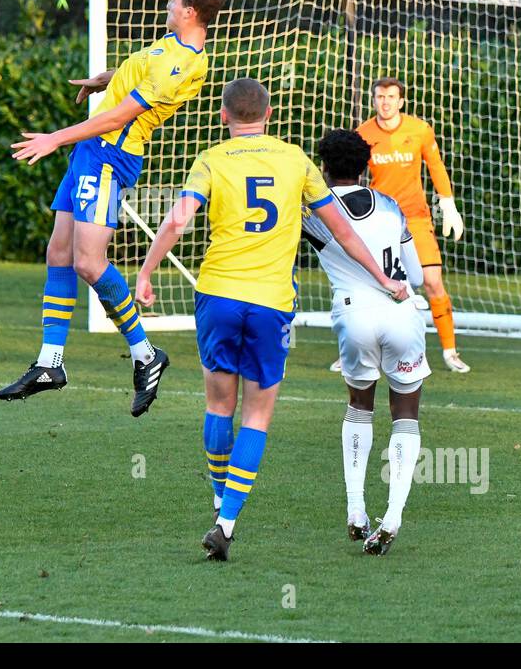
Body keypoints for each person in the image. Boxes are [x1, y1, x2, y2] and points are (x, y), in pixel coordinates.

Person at [135, 79, 407, 561]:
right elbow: (342, 230)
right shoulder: (296, 159)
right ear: (270, 113)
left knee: (219, 407)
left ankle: (220, 505)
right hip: (271, 305)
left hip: (217, 294)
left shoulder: (212, 159)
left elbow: (178, 219)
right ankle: (227, 520)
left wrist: (147, 269)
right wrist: (384, 279)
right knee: (257, 415)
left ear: (223, 115)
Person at [0, 0, 226, 417]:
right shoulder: (173, 47)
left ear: (190, 10)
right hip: (92, 153)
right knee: (59, 253)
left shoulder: (179, 62)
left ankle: (145, 355)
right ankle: (50, 363)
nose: (166, 5)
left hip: (108, 154)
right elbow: (135, 74)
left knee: (87, 261)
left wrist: (54, 138)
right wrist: (104, 79)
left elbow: (119, 116)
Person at [302, 129, 429, 555]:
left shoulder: (315, 214)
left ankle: (356, 509)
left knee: (359, 406)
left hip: (354, 314)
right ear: (365, 168)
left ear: (323, 169)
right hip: (402, 314)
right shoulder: (391, 206)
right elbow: (413, 275)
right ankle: (392, 517)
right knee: (405, 413)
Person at [353, 77, 470, 373]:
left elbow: (436, 166)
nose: (386, 102)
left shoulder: (419, 130)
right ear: (374, 99)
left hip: (415, 218)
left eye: (392, 97)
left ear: (401, 101)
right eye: (380, 97)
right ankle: (355, 352)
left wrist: (448, 204)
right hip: (379, 219)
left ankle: (450, 351)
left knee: (432, 281)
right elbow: (350, 173)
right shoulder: (363, 133)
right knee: (370, 285)